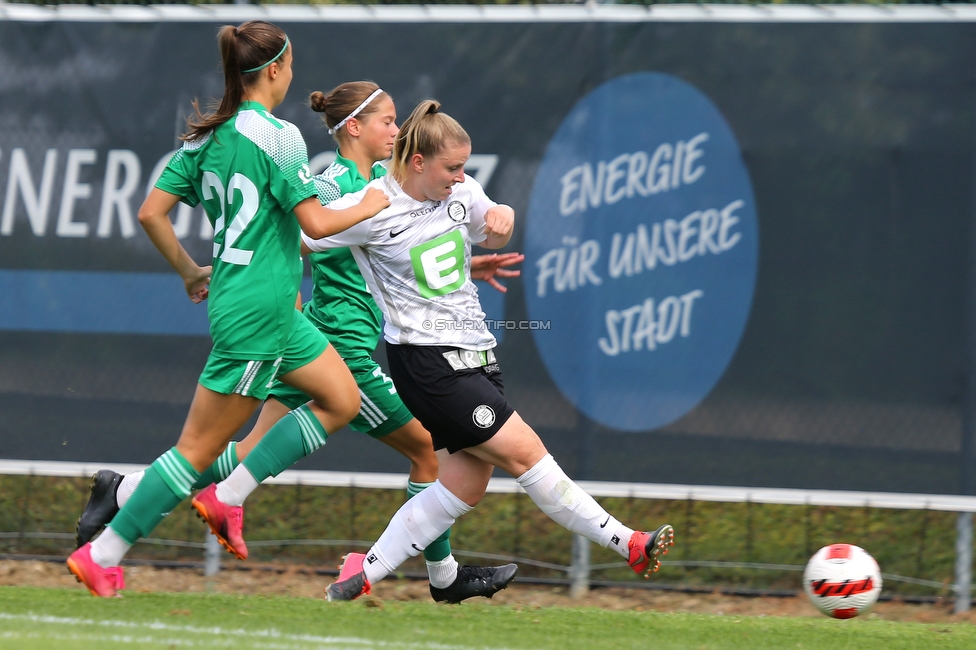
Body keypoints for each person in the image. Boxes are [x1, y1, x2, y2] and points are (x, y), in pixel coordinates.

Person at [75, 81, 522, 603]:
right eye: (387, 121)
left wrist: (467, 260)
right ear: (353, 127)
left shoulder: (380, 179)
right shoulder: (330, 187)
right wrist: (260, 302)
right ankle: (444, 577)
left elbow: (398, 246)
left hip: (312, 338)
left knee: (244, 450)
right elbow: (292, 246)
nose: (397, 131)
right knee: (427, 448)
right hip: (339, 347)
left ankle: (124, 490)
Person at [299, 99, 676, 601]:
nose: (460, 178)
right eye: (451, 168)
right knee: (526, 453)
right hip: (427, 362)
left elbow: (491, 221)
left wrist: (504, 214)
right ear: (417, 163)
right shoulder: (374, 204)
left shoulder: (460, 190)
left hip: (477, 355)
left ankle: (362, 573)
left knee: (464, 486)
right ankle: (627, 541)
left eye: (464, 168)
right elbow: (307, 235)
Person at [66, 20, 390, 598]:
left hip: (272, 310)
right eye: (289, 66)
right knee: (197, 449)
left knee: (340, 400)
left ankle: (227, 497)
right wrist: (372, 200)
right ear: (272, 71)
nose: (292, 75)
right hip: (258, 313)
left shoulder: (207, 137)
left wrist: (191, 270)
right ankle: (104, 553)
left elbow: (150, 213)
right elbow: (315, 224)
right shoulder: (280, 136)